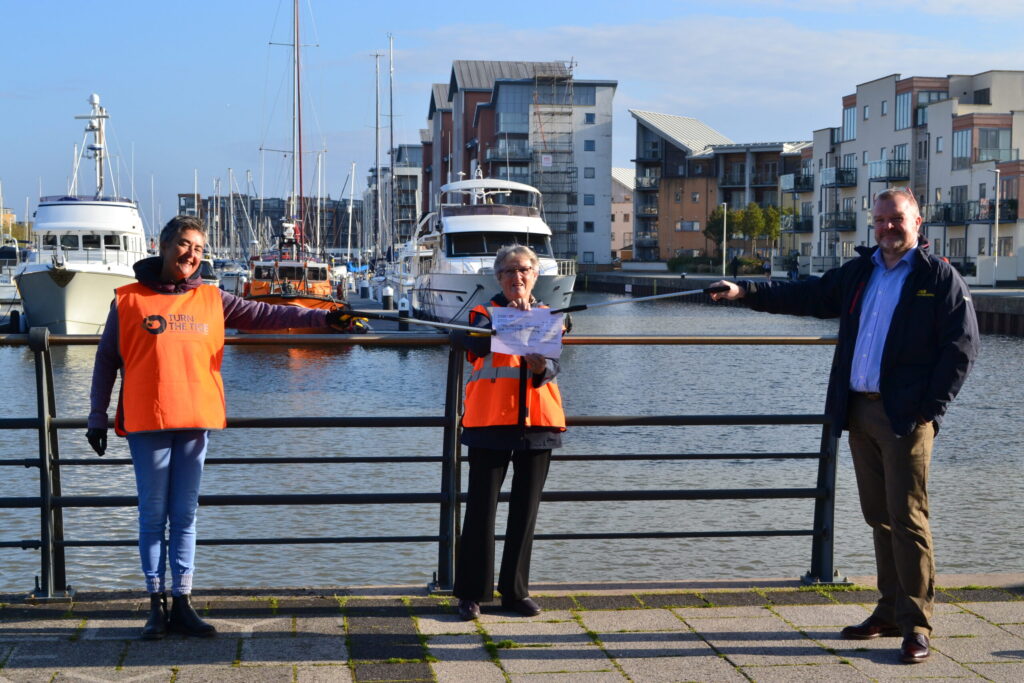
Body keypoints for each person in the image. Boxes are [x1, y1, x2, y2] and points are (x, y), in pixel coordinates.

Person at [709, 188, 978, 664]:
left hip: (905, 417)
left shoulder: (938, 278)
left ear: (918, 222)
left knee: (909, 519)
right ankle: (889, 610)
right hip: (859, 412)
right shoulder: (860, 273)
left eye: (896, 220)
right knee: (878, 517)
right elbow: (806, 294)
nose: (887, 228)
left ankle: (917, 625)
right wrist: (745, 291)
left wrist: (928, 410)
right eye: (880, 221)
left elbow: (961, 349)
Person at [87, 216, 362, 640]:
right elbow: (106, 361)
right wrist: (96, 415)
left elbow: (268, 314)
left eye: (198, 249)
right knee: (151, 515)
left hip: (196, 418)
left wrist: (328, 320)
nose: (191, 255)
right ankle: (155, 605)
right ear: (162, 245)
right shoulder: (127, 301)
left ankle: (183, 600)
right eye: (183, 245)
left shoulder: (213, 298)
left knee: (184, 515)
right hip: (148, 420)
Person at [452, 244, 566, 621]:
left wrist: (539, 368)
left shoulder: (552, 315)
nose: (518, 276)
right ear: (498, 278)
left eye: (525, 270)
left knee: (525, 513)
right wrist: (508, 324)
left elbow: (552, 367)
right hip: (489, 422)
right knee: (481, 510)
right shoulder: (481, 313)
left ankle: (515, 592)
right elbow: (470, 341)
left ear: (536, 275)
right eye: (510, 271)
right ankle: (471, 594)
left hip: (539, 424)